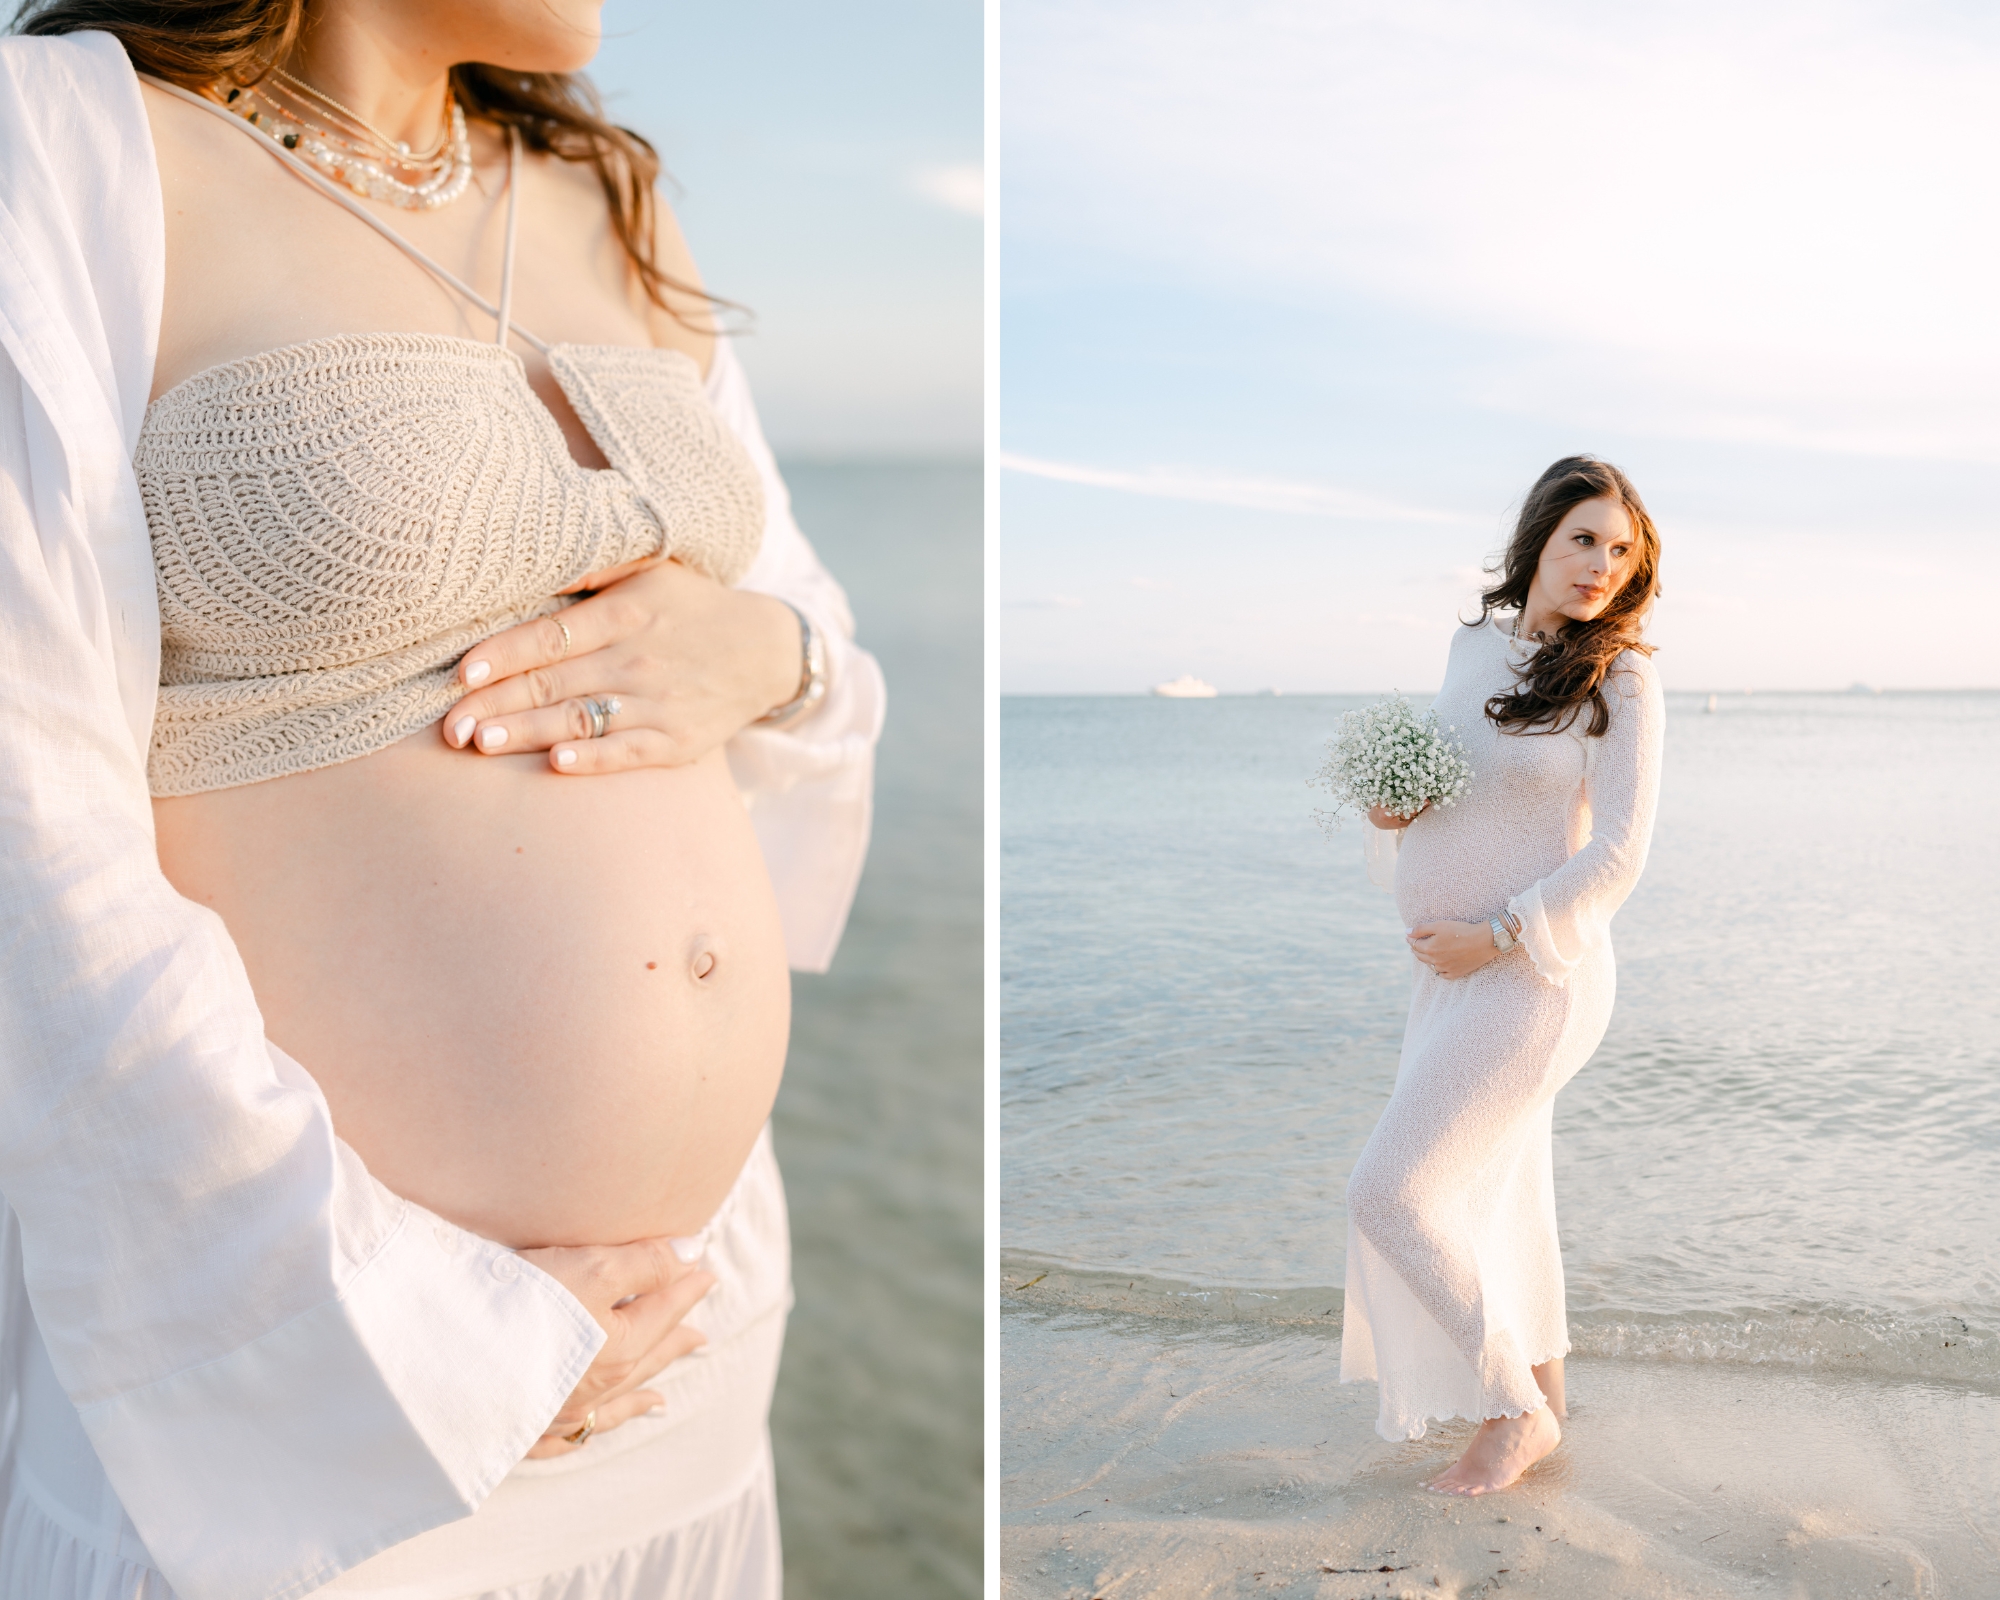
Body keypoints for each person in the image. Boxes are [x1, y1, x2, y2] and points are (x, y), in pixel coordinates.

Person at [0, 4, 884, 1594]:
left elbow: (802, 639)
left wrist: (773, 652)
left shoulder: (614, 193)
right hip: (309, 1398)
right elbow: (29, 826)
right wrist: (423, 1335)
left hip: (681, 1352)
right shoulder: (57, 141)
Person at [1340, 456, 1664, 1495]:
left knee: (1388, 1191)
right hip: (1447, 980)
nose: (1599, 566)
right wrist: (1387, 813)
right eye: (1583, 540)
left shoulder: (1621, 677)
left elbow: (1615, 854)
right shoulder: (1469, 647)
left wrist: (1497, 937)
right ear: (1537, 539)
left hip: (1538, 976)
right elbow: (1448, 794)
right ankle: (1546, 1404)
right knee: (1508, 1199)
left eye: (1619, 550)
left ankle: (1508, 1408)